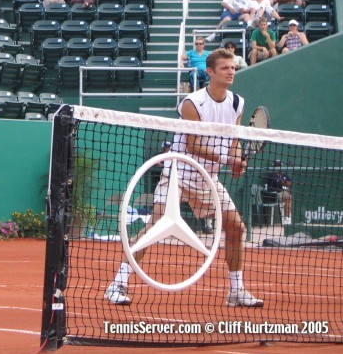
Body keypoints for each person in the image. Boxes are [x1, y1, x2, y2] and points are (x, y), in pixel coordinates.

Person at [105, 48, 264, 308]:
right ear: (210, 72)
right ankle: (117, 284)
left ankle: (236, 291)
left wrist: (235, 160)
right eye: (225, 68)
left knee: (236, 228)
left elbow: (233, 140)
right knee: (154, 226)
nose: (231, 71)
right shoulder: (193, 103)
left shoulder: (237, 103)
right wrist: (228, 160)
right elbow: (192, 145)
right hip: (178, 173)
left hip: (208, 179)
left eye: (233, 67)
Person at [265, 159, 292, 225]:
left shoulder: (284, 175)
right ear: (273, 166)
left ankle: (288, 217)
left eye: (278, 165)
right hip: (274, 195)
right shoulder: (270, 175)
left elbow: (290, 183)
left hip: (284, 193)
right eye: (276, 165)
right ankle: (287, 218)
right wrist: (284, 183)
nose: (277, 167)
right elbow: (279, 183)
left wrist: (285, 183)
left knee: (289, 196)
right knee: (288, 197)